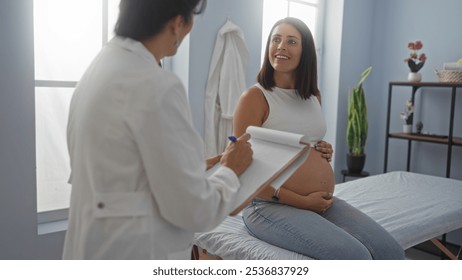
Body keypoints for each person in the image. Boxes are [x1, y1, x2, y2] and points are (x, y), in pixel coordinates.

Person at [63, 0, 253, 260]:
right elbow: (194, 210)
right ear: (177, 23)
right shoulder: (156, 85)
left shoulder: (98, 69)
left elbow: (124, 167)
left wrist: (195, 167)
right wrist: (231, 169)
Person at [233, 17, 404, 260]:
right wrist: (302, 201)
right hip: (267, 205)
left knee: (391, 252)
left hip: (318, 201)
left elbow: (302, 141)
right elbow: (241, 172)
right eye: (276, 39)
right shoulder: (255, 97)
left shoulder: (313, 96)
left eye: (291, 41)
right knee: (354, 256)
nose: (281, 46)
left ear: (306, 52)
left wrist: (320, 151)